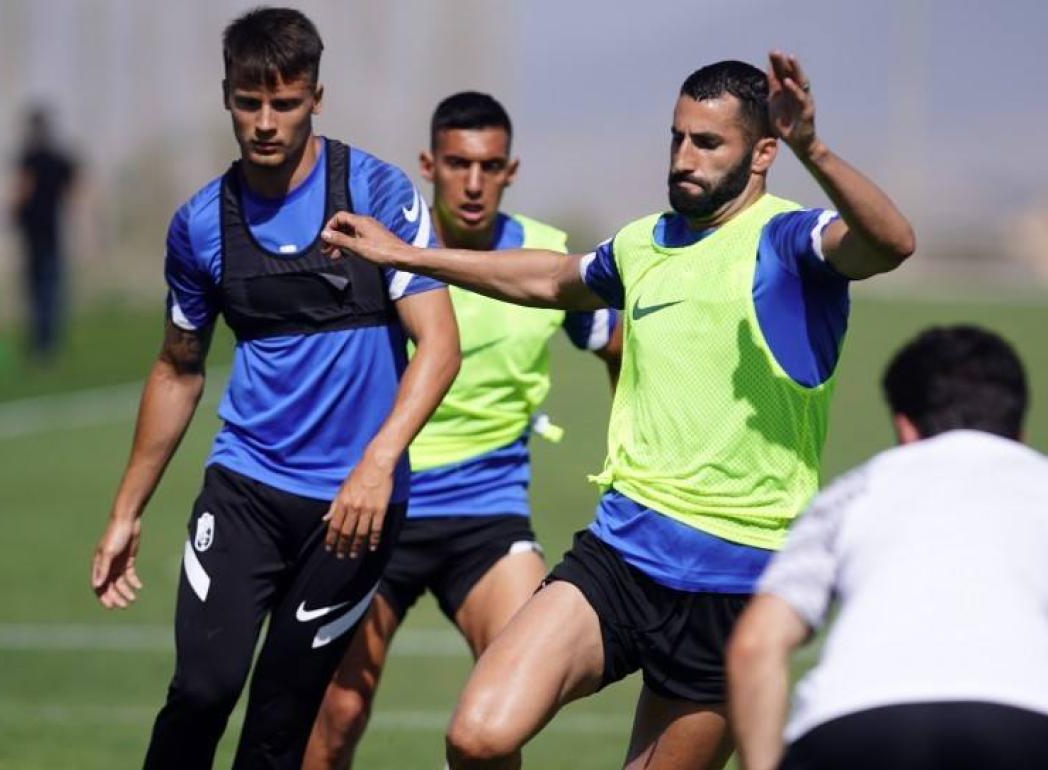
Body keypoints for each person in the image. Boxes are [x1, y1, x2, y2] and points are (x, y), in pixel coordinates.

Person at [320, 53, 915, 770]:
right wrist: (408, 256)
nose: (683, 158)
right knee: (478, 736)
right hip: (622, 555)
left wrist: (813, 148)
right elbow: (548, 276)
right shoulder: (646, 242)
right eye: (677, 138)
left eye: (707, 143)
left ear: (764, 153)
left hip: (737, 583)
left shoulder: (789, 245)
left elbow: (890, 242)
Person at [87, 8, 460, 769]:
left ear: (316, 97)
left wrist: (377, 464)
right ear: (226, 94)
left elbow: (440, 346)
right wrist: (126, 511)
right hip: (246, 491)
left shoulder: (377, 194)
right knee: (202, 690)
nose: (264, 122)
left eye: (284, 104)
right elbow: (177, 369)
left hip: (353, 513)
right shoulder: (200, 226)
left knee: (279, 723)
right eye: (248, 102)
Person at [304, 92, 621, 770]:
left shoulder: (547, 257)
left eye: (490, 166)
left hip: (487, 518)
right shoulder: (382, 251)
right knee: (337, 709)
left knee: (504, 713)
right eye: (457, 164)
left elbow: (617, 344)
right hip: (376, 509)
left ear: (510, 170)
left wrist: (634, 457)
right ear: (430, 165)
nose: (473, 183)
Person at [727, 325, 1048, 770]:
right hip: (1028, 720)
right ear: (1021, 430)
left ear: (905, 426)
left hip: (848, 724)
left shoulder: (854, 491)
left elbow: (755, 645)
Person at [10, 105, 78, 362]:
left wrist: (13, 211)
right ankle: (49, 342)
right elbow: (73, 187)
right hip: (51, 229)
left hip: (35, 230)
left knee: (37, 287)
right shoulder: (58, 157)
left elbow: (23, 188)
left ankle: (41, 342)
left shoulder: (31, 157)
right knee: (50, 287)